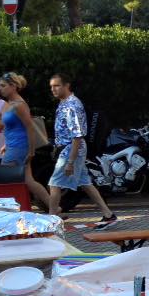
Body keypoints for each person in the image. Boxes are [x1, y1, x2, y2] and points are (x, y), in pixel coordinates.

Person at [47, 73, 117, 225]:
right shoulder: (64, 102)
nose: (53, 89)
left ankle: (51, 219)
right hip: (69, 148)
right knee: (85, 182)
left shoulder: (72, 105)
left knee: (54, 183)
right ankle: (108, 214)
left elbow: (77, 135)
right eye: (51, 86)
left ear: (67, 85)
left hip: (71, 149)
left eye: (57, 85)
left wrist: (71, 161)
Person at [0, 72, 52, 211]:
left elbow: (30, 128)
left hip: (19, 148)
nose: (0, 88)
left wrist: (31, 151)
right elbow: (12, 128)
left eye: (3, 86)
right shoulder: (11, 104)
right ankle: (54, 206)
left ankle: (11, 210)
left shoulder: (19, 105)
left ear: (13, 86)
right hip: (14, 146)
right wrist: (6, 144)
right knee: (29, 181)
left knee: (4, 180)